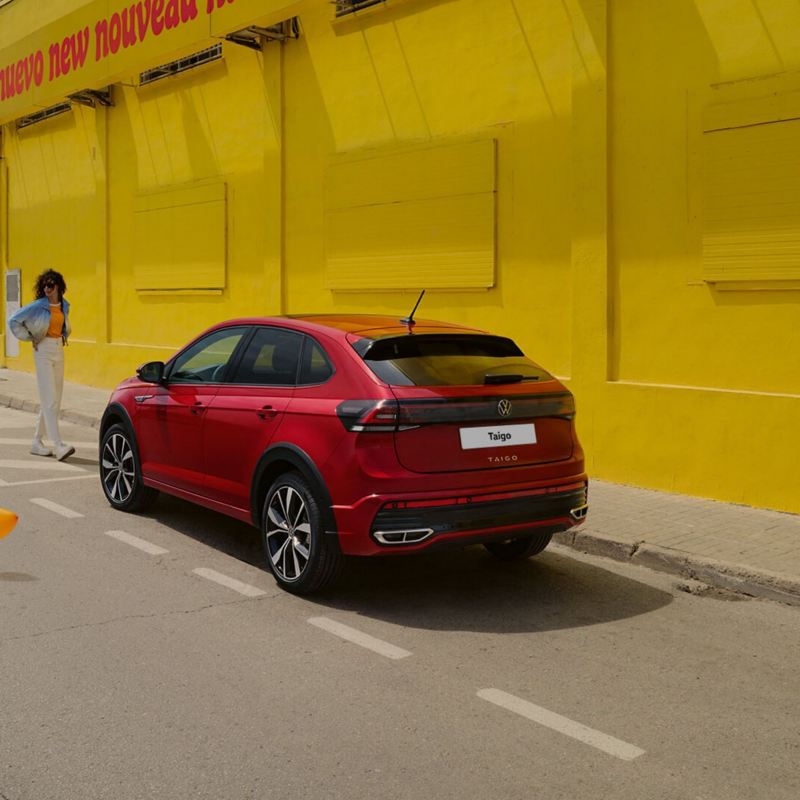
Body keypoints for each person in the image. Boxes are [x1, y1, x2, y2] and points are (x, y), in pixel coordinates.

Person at [8, 269, 75, 461]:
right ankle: (58, 445)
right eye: (44, 284)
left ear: (58, 287)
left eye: (51, 285)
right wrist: (30, 337)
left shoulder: (64, 305)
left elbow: (64, 326)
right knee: (49, 399)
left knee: (55, 399)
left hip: (58, 349)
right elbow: (14, 320)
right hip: (43, 349)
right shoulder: (38, 306)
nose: (47, 288)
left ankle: (36, 442)